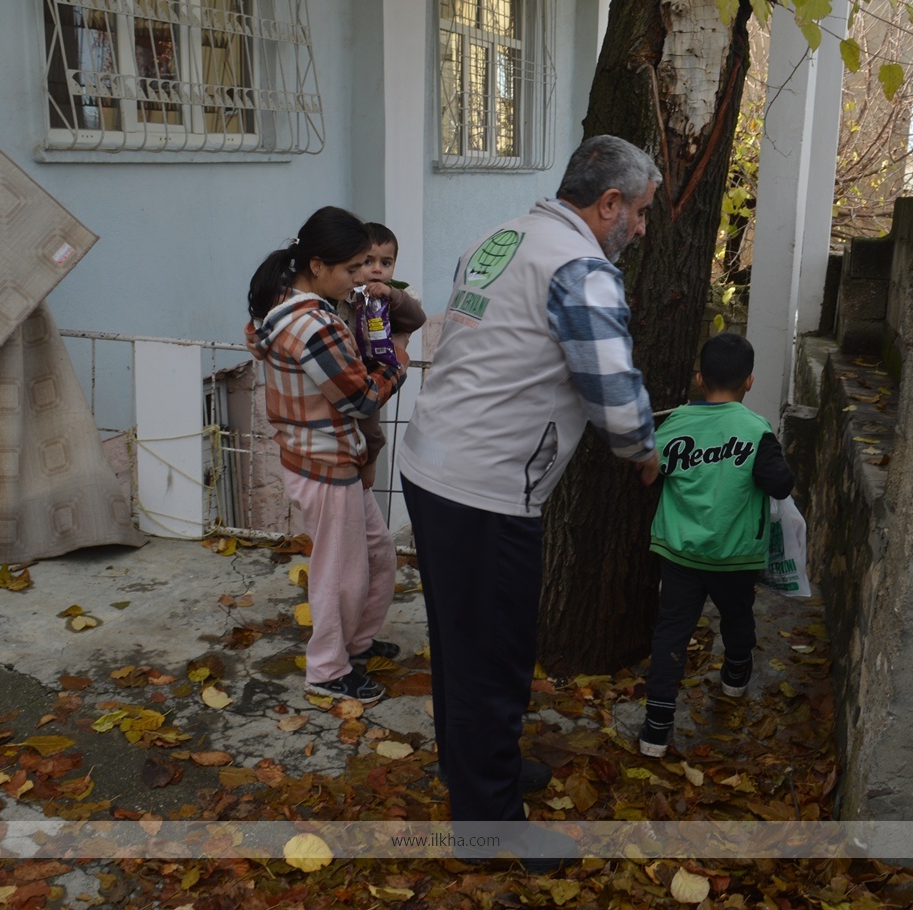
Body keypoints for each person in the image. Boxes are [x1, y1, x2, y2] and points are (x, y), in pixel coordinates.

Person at [396, 135, 662, 853]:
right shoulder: (581, 269)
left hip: (433, 463)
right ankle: (489, 829)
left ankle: (479, 769)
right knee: (494, 657)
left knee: (462, 640)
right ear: (608, 204)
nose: (640, 228)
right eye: (638, 213)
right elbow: (610, 390)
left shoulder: (502, 236)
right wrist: (644, 446)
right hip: (485, 487)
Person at [244, 206, 408, 704]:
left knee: (377, 556)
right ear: (317, 266)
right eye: (353, 267)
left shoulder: (287, 305)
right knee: (341, 573)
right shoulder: (315, 324)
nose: (361, 277)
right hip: (325, 461)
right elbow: (360, 399)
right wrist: (396, 364)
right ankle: (328, 669)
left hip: (327, 458)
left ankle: (355, 644)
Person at [636, 332, 795, 758]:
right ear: (750, 382)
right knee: (737, 617)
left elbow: (650, 473)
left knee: (671, 632)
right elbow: (779, 484)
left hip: (679, 552)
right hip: (734, 555)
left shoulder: (676, 424)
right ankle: (736, 676)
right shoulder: (755, 430)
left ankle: (656, 727)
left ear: (699, 379)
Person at [340, 222, 427, 496]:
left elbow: (417, 320)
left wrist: (393, 296)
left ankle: (372, 456)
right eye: (368, 261)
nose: (377, 269)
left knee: (368, 426)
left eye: (386, 262)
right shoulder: (344, 293)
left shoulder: (398, 293)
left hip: (377, 372)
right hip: (346, 368)